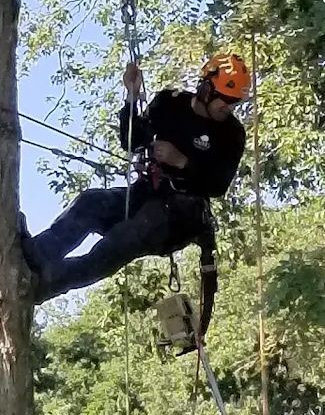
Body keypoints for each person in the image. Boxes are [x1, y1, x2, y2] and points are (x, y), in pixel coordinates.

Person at [22, 53, 250, 304]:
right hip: (146, 194)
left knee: (123, 240)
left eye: (234, 102)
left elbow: (218, 185)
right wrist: (131, 96)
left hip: (180, 215)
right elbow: (131, 140)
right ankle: (38, 255)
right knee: (90, 203)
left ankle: (48, 283)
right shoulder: (169, 104)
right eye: (225, 99)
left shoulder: (231, 134)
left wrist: (182, 162)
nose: (228, 107)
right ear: (206, 89)